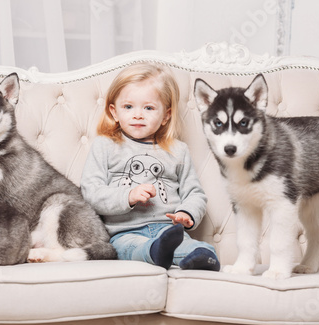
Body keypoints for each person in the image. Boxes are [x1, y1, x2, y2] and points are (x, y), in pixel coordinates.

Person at [80, 63, 220, 271]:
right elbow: (91, 192)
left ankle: (201, 257)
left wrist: (187, 214)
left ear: (166, 115)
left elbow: (195, 194)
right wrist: (128, 195)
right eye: (128, 107)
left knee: (191, 246)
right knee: (130, 248)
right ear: (114, 111)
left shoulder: (177, 150)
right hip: (124, 233)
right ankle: (154, 252)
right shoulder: (105, 145)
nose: (138, 115)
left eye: (149, 108)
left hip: (168, 230)